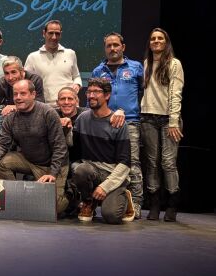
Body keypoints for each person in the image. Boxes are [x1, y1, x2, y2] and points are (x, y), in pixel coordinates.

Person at [0, 79, 69, 216]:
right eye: (15, 94)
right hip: (29, 160)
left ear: (33, 94)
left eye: (23, 93)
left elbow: (59, 146)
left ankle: (71, 196)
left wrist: (53, 174)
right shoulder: (10, 118)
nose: (18, 98)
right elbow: (2, 144)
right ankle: (17, 196)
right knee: (1, 163)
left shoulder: (48, 113)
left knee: (55, 209)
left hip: (53, 165)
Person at [91, 32, 144, 218]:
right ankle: (110, 198)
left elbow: (144, 92)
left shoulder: (136, 67)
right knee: (108, 163)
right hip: (106, 123)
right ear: (105, 48)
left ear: (123, 47)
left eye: (116, 45)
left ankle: (136, 204)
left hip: (130, 121)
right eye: (109, 46)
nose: (112, 49)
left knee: (133, 162)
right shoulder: (99, 71)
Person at [71, 78, 136, 224]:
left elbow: (125, 163)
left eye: (96, 92)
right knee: (80, 169)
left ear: (107, 96)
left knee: (111, 216)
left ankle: (125, 196)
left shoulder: (118, 122)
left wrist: (105, 187)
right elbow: (73, 149)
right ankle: (88, 202)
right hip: (91, 172)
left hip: (112, 174)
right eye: (89, 91)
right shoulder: (82, 119)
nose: (91, 95)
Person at [140, 28, 185, 222]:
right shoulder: (146, 64)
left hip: (168, 120)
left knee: (168, 163)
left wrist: (174, 121)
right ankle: (154, 204)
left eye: (160, 38)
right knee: (151, 163)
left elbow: (176, 94)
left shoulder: (174, 64)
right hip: (148, 118)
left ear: (166, 42)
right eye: (153, 39)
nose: (156, 41)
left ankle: (173, 202)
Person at [24, 19, 82, 105]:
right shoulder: (33, 57)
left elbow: (76, 76)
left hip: (68, 105)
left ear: (60, 35)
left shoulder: (70, 53)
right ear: (44, 33)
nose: (54, 37)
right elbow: (27, 83)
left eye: (57, 33)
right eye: (51, 33)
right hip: (44, 106)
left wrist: (77, 84)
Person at [0, 56, 44, 123]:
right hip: (11, 119)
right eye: (6, 73)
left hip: (32, 118)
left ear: (22, 71)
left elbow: (40, 104)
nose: (10, 78)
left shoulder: (35, 80)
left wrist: (15, 107)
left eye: (13, 72)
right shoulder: (3, 82)